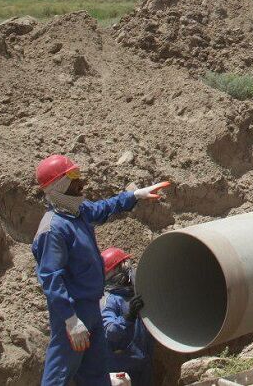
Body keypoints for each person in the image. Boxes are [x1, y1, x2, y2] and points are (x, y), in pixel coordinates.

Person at [32, 154, 168, 386]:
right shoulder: (53, 229)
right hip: (73, 312)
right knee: (59, 376)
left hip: (92, 307)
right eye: (73, 177)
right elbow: (51, 278)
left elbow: (103, 208)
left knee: (96, 376)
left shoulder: (77, 211)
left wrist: (134, 195)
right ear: (59, 186)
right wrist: (71, 321)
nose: (81, 182)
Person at [100, 247, 153, 386]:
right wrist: (128, 317)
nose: (129, 269)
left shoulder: (135, 293)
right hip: (121, 369)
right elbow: (109, 332)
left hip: (143, 364)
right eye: (124, 266)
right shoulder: (109, 300)